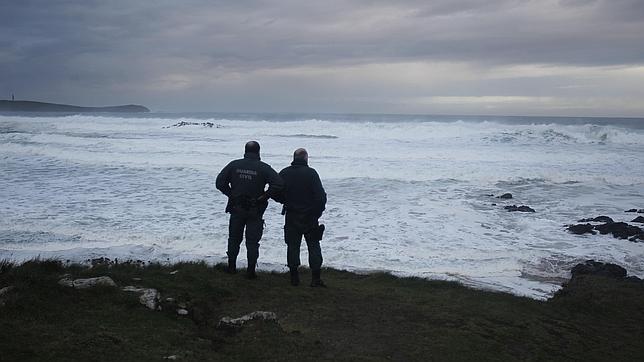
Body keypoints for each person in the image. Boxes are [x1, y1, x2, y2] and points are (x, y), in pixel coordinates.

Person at [216, 141, 283, 279]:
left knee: (234, 238)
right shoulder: (263, 168)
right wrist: (264, 196)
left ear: (245, 151)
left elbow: (219, 182)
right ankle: (251, 271)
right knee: (252, 242)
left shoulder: (234, 165)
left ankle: (231, 267)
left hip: (237, 208)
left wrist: (231, 194)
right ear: (258, 152)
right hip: (255, 209)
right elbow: (279, 183)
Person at [278, 148, 327, 287]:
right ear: (306, 158)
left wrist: (284, 200)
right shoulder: (311, 173)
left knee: (292, 246)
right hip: (310, 216)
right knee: (313, 245)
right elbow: (321, 197)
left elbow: (274, 190)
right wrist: (317, 213)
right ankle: (315, 279)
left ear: (294, 158)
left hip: (291, 215)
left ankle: (294, 278)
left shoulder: (285, 173)